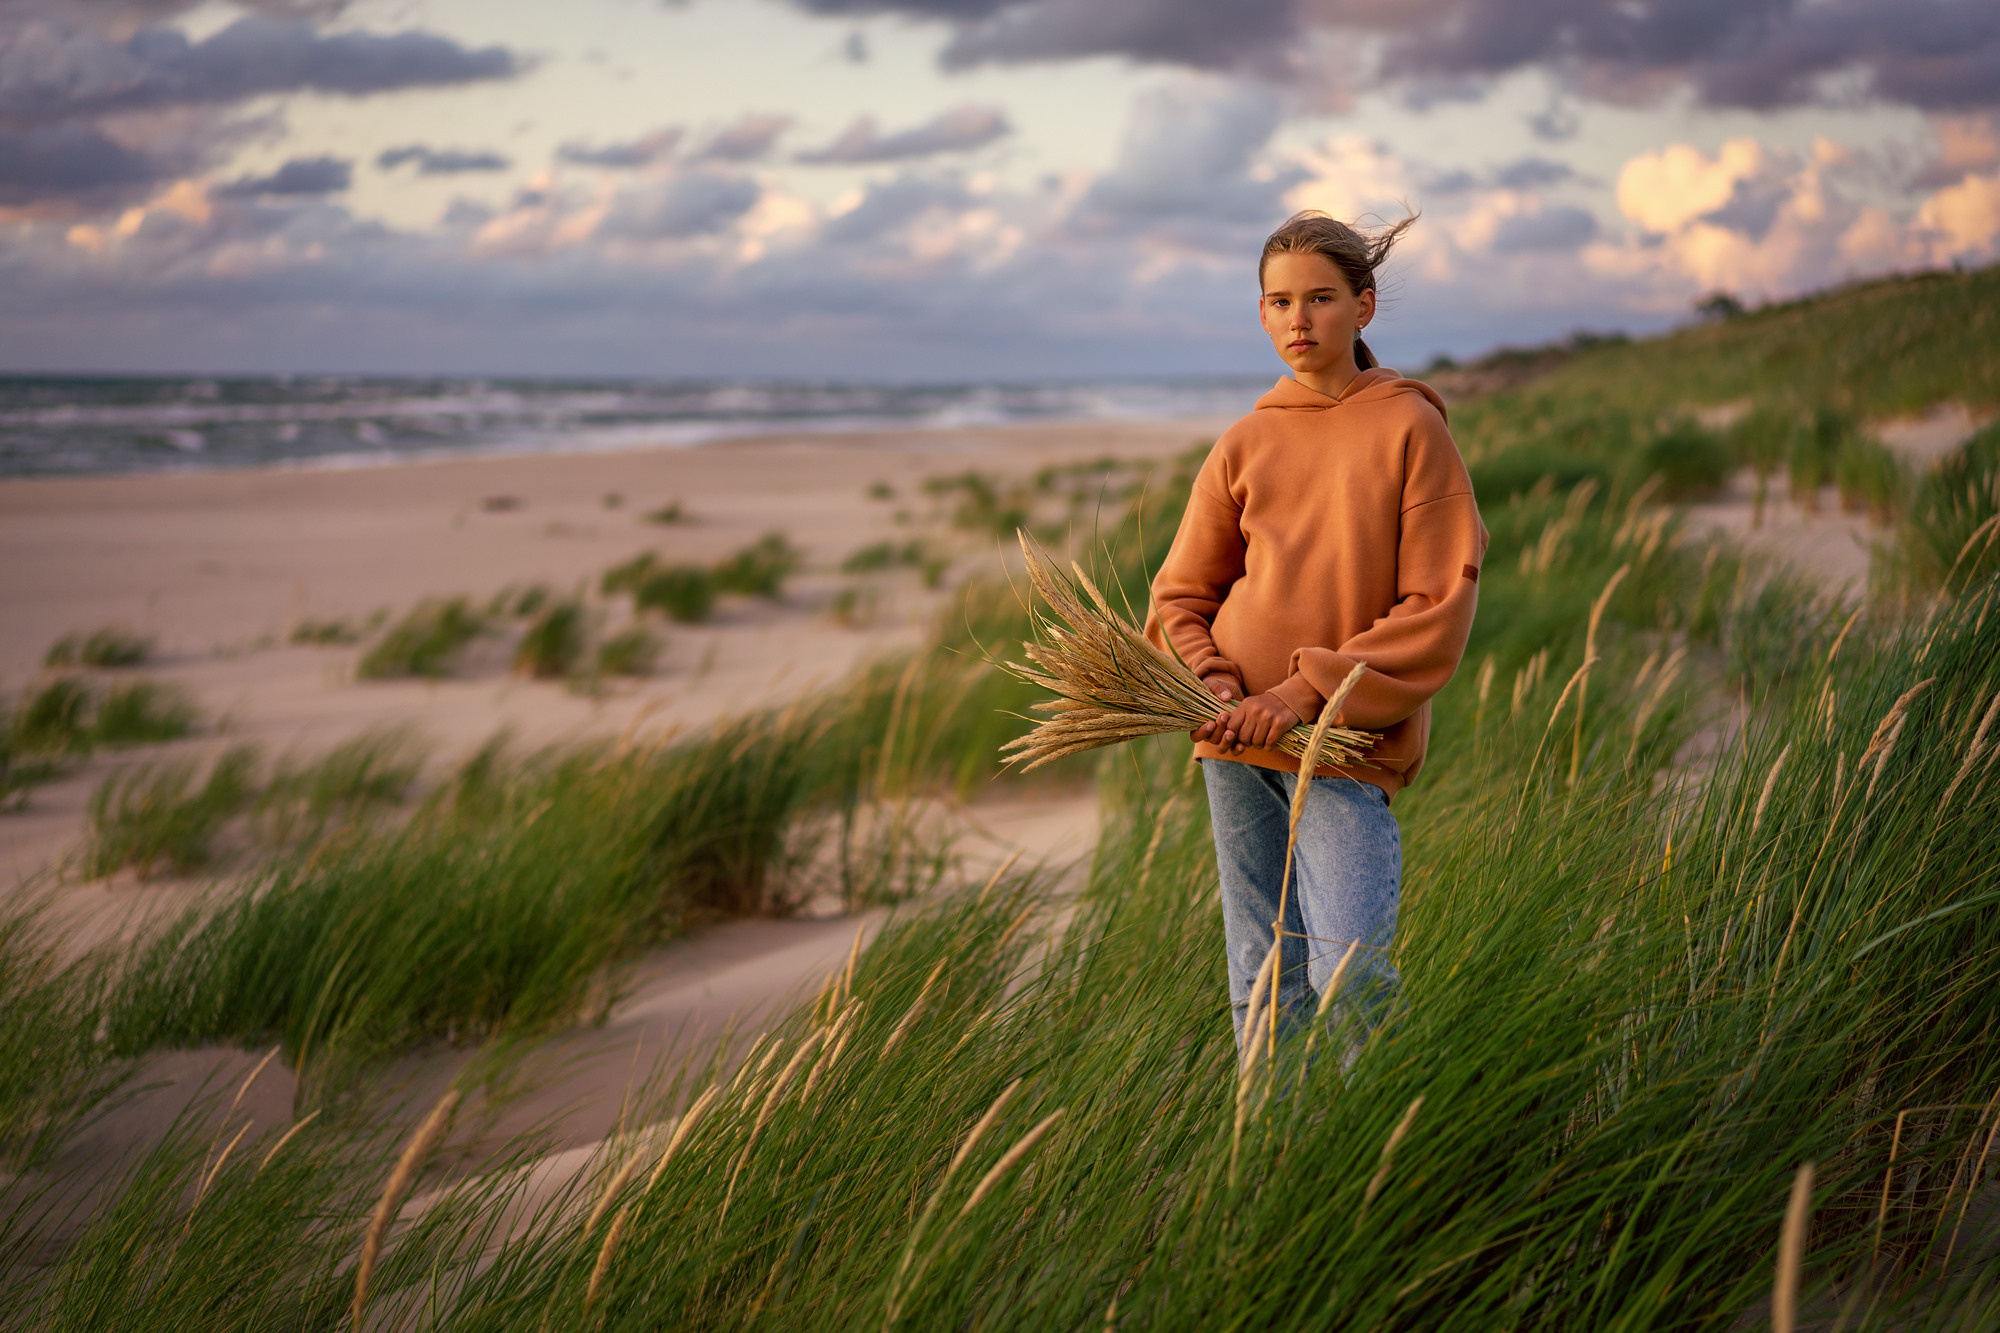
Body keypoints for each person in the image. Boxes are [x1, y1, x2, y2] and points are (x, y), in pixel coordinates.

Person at [1145, 210, 1488, 1053]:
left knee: (1352, 973)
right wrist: (1216, 685)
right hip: (1233, 741)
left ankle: (1381, 1170)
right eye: (1279, 302)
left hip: (1342, 743)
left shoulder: (1412, 427)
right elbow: (1180, 595)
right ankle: (1267, 1167)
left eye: (1322, 298)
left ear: (1364, 307)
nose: (1299, 320)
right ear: (1261, 314)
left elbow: (1437, 604)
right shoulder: (1245, 441)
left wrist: (1301, 695)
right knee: (1262, 979)